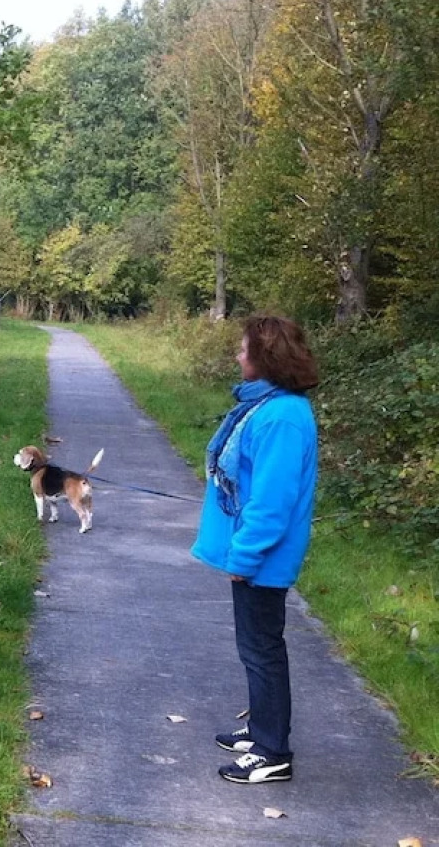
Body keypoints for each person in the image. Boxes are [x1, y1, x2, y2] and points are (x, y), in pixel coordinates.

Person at [191, 314, 320, 785]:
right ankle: (263, 729)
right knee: (257, 647)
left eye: (244, 349)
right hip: (256, 557)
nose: (238, 355)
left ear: (266, 358)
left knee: (262, 649)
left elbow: (271, 502)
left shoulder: (282, 418)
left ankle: (272, 752)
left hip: (263, 559)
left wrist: (242, 557)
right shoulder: (267, 407)